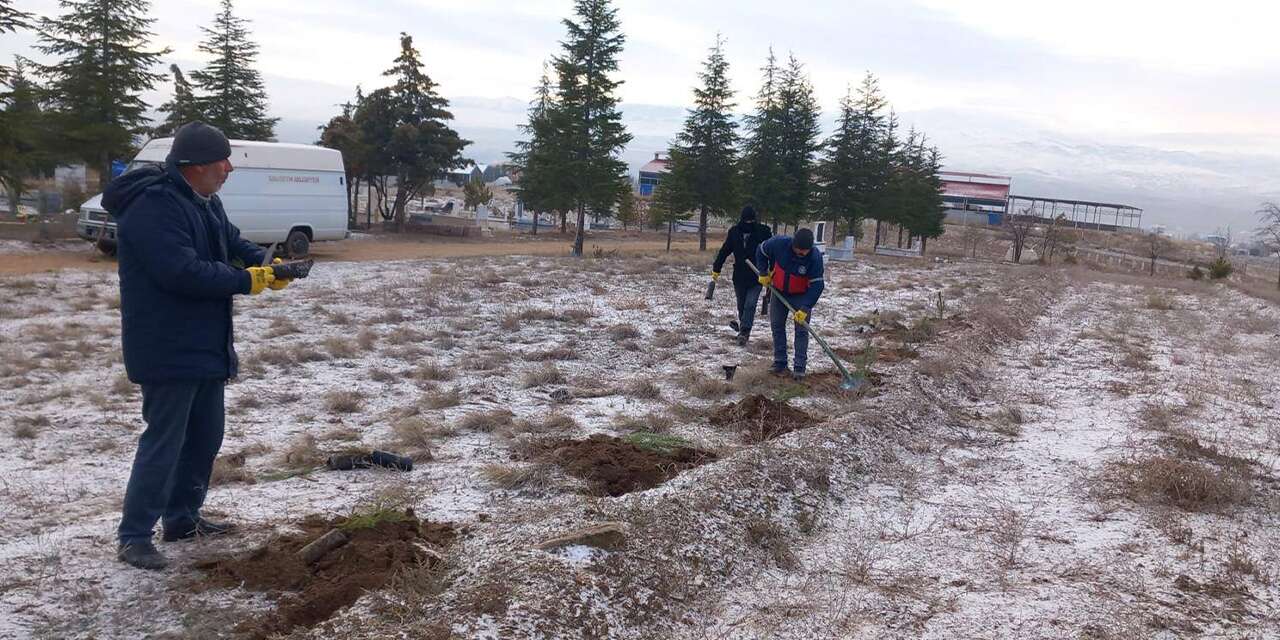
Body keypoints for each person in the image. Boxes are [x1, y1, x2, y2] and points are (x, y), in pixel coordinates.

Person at [103, 122, 290, 570]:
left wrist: (268, 262)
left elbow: (229, 240)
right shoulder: (153, 207)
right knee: (165, 441)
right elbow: (181, 272)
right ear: (195, 167)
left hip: (206, 342)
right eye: (222, 162)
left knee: (206, 435)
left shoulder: (203, 200)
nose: (229, 169)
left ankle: (183, 518)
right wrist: (249, 281)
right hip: (167, 345)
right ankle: (134, 535)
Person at [755, 228, 824, 380]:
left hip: (801, 296)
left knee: (801, 331)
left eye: (804, 251)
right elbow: (760, 251)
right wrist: (763, 273)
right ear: (793, 244)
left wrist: (805, 308)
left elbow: (818, 285)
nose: (801, 253)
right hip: (778, 292)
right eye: (798, 250)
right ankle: (780, 362)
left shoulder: (815, 257)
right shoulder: (779, 244)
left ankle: (799, 367)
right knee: (777, 326)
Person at [711, 206, 772, 346]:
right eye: (746, 220)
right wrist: (716, 268)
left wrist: (772, 272)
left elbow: (772, 252)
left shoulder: (763, 232)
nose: (748, 223)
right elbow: (724, 251)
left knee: (750, 305)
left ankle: (744, 332)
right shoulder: (734, 232)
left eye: (751, 221)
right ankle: (743, 328)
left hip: (757, 276)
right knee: (741, 305)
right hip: (739, 276)